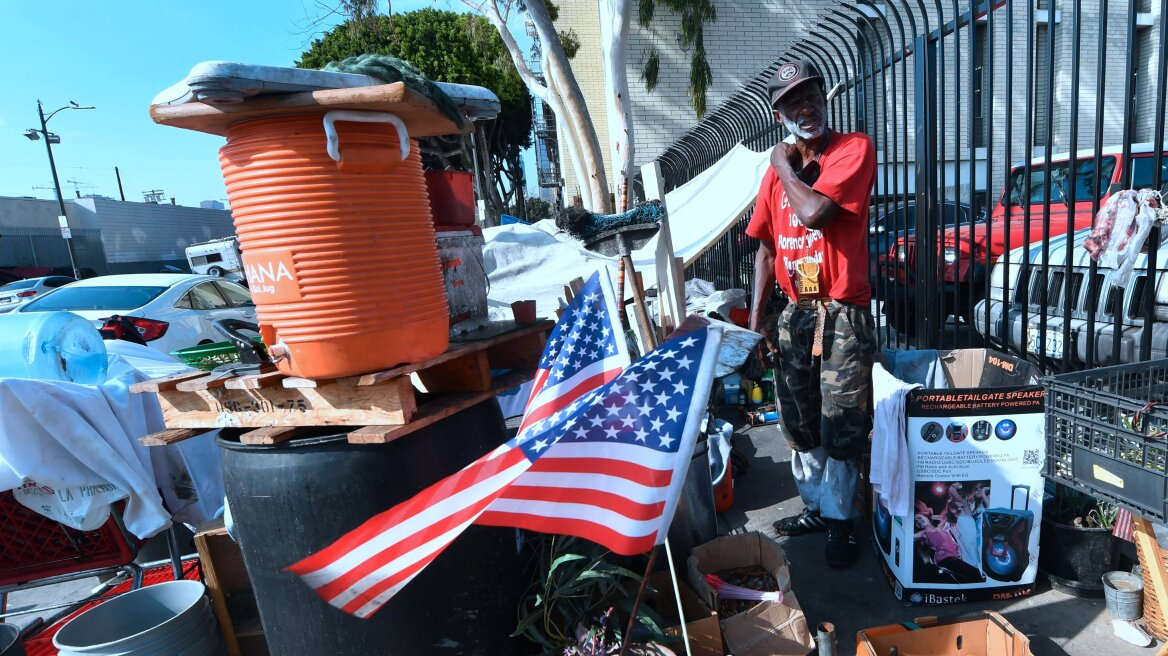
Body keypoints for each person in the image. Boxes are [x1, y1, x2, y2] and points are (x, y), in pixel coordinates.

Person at [747, 59, 877, 568]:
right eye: (793, 102)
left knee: (842, 423)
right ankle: (817, 508)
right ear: (778, 114)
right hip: (796, 313)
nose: (807, 107)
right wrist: (756, 322)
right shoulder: (774, 177)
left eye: (812, 96)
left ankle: (842, 519)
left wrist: (781, 166)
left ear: (824, 99)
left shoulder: (852, 150)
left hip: (843, 313)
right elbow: (765, 249)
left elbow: (815, 213)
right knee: (798, 420)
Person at [913, 514, 984, 584]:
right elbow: (910, 536)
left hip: (952, 557)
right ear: (917, 526)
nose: (919, 521)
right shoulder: (923, 533)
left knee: (967, 580)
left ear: (926, 518)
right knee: (975, 574)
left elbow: (945, 517)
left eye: (919, 518)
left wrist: (932, 516)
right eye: (916, 521)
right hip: (944, 557)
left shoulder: (939, 528)